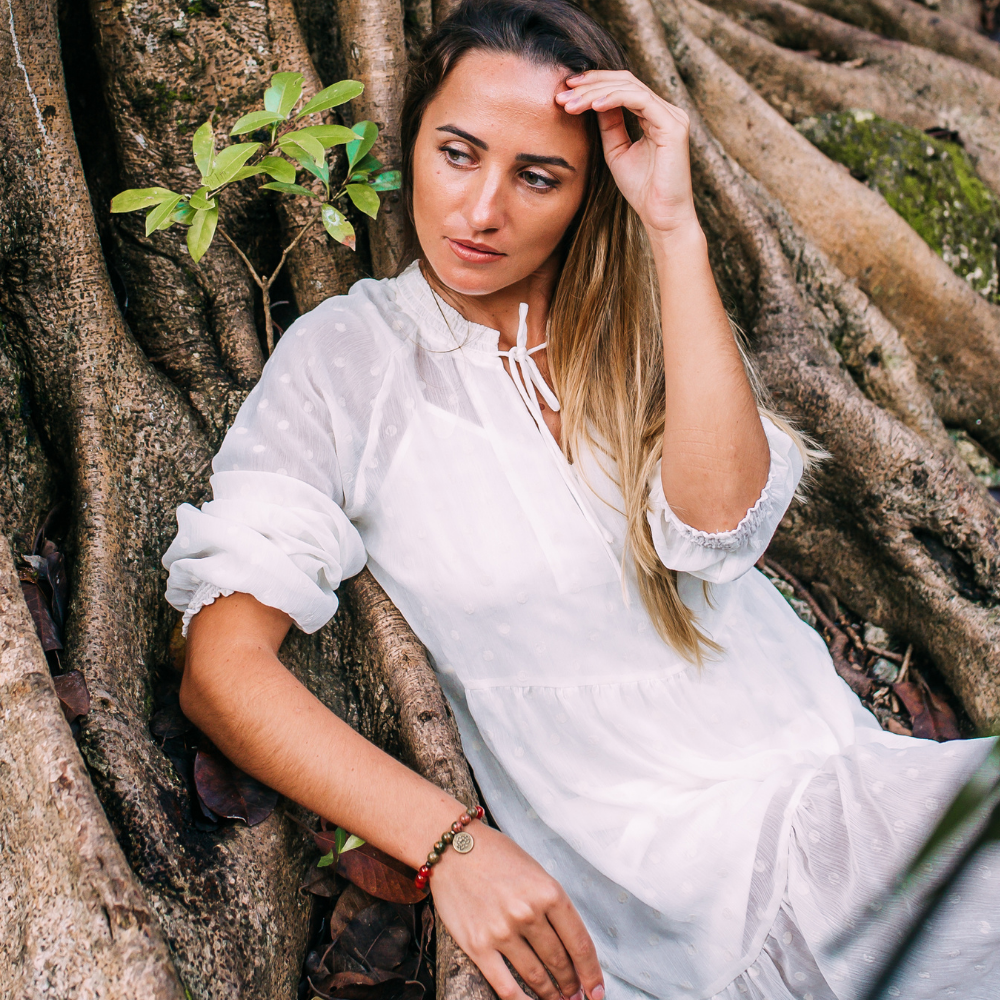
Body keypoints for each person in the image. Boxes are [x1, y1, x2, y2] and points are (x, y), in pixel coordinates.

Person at [162, 2, 999, 997]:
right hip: (662, 890)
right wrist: (449, 844)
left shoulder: (646, 320)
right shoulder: (350, 362)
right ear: (414, 140)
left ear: (587, 189)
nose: (480, 210)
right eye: (457, 153)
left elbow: (719, 527)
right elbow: (220, 669)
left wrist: (674, 225)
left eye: (538, 176)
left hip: (846, 813)